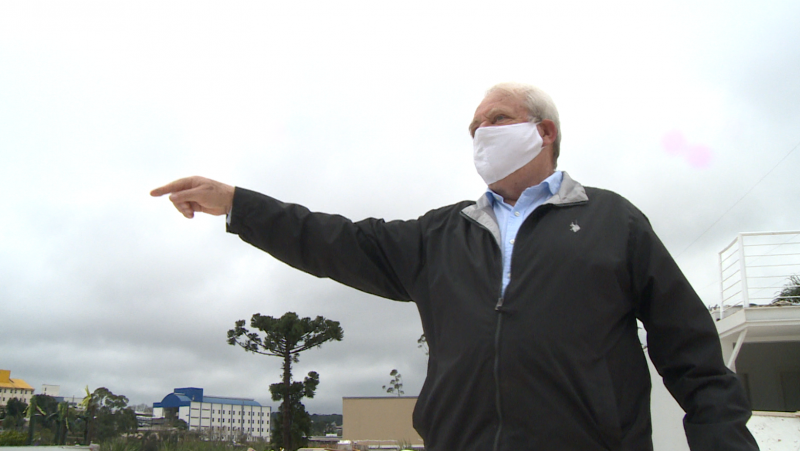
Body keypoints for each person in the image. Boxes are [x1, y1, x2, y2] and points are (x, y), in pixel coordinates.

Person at [151, 83, 758, 451]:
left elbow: (696, 360)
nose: (478, 134)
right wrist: (238, 204)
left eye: (494, 120)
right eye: (472, 128)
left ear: (542, 131)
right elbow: (333, 239)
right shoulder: (441, 234)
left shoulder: (614, 223)